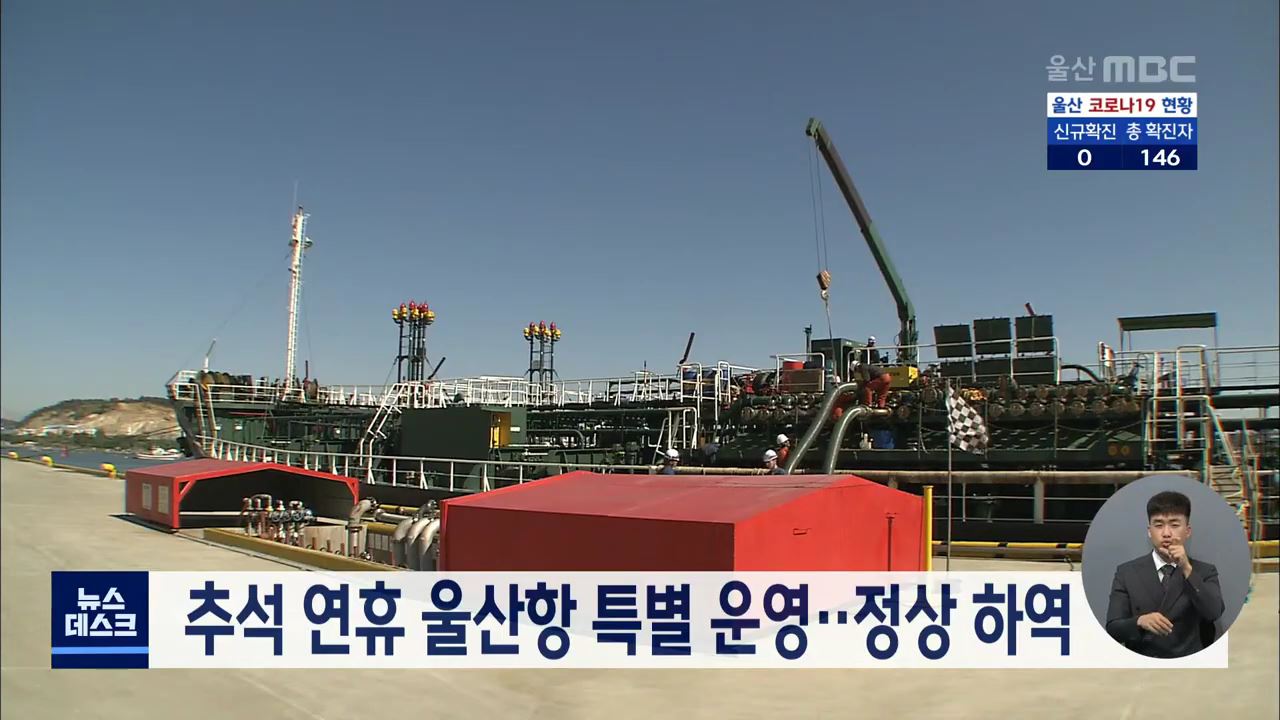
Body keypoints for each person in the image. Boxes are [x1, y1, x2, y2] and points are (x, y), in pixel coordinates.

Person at [1104, 490, 1225, 659]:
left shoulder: (1204, 571)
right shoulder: (1127, 572)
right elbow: (1113, 628)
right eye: (1159, 525)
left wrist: (1186, 568)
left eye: (1174, 525)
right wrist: (1139, 621)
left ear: (1187, 531)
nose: (1166, 533)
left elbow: (1214, 612)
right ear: (1149, 531)